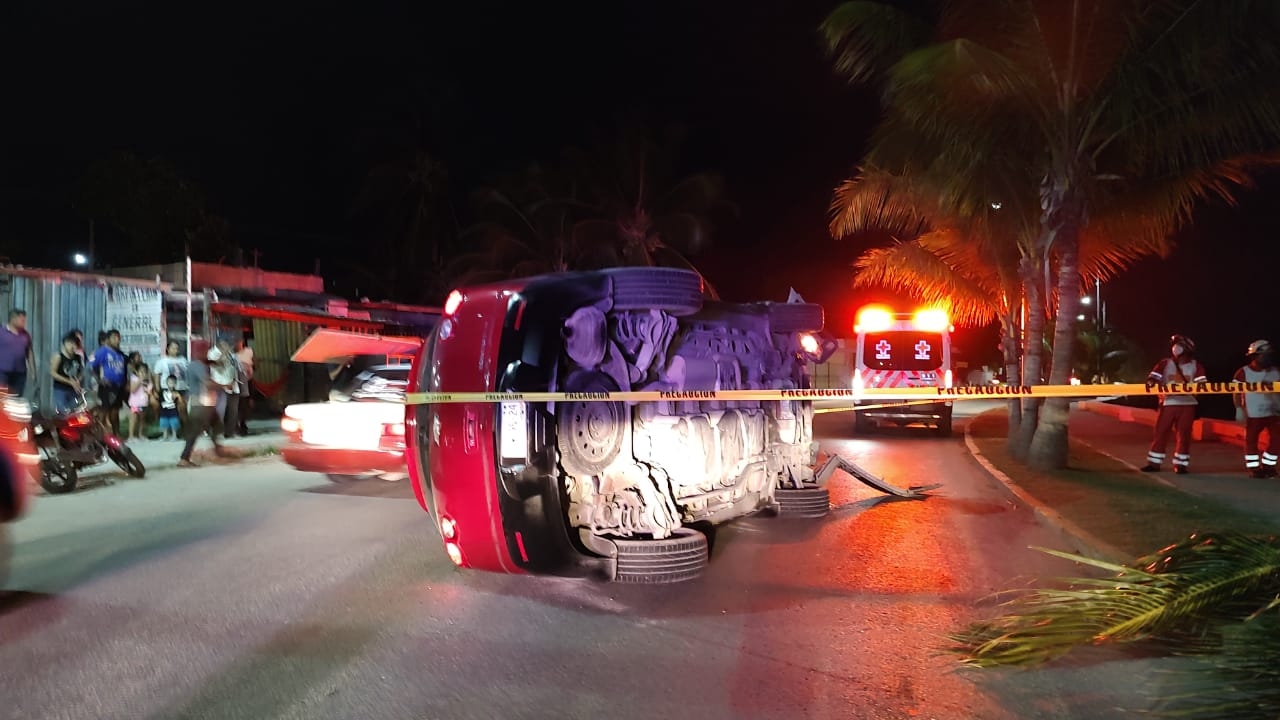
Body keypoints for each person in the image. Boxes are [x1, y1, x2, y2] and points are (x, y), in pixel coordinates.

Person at [1141, 334, 1209, 475]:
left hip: (1188, 404)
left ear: (1188, 349)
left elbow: (1202, 384)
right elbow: (1153, 377)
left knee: (1184, 435)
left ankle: (1181, 464)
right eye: (1175, 344)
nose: (1176, 347)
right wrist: (1152, 382)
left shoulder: (1196, 366)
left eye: (1180, 345)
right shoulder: (1165, 363)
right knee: (1160, 433)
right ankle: (1154, 463)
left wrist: (1199, 388)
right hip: (1168, 402)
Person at [1233, 339, 1280, 478]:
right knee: (1251, 441)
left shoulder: (1276, 372)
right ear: (1254, 356)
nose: (1267, 358)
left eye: (1268, 355)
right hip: (1253, 413)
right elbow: (1235, 391)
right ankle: (1254, 468)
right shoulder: (1243, 372)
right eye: (1263, 355)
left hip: (1274, 412)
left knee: (1277, 439)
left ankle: (1269, 466)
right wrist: (1239, 408)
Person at [179, 346, 226, 467]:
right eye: (205, 351)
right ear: (200, 352)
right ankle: (184, 458)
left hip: (203, 402)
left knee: (215, 424)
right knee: (195, 431)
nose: (207, 354)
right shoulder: (199, 366)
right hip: (201, 402)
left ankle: (218, 450)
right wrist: (224, 385)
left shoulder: (194, 364)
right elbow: (207, 383)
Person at [88, 329, 128, 436]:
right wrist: (99, 380)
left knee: (115, 411)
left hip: (118, 386)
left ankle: (116, 434)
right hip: (107, 387)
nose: (117, 340)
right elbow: (90, 366)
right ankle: (98, 434)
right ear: (108, 339)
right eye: (114, 337)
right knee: (103, 411)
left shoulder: (120, 354)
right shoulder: (102, 351)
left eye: (118, 337)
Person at [0, 309, 34, 395]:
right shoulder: (2, 332)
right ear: (13, 319)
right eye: (22, 320)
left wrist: (33, 372)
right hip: (2, 372)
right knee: (2, 397)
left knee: (16, 397)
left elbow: (29, 353)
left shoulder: (26, 335)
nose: (24, 322)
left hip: (20, 373)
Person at [209, 338, 238, 438]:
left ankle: (230, 432)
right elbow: (217, 365)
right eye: (226, 345)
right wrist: (225, 353)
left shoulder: (230, 354)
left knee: (232, 410)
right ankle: (217, 432)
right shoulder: (212, 353)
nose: (228, 346)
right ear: (220, 344)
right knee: (219, 410)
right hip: (219, 385)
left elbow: (233, 367)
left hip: (232, 385)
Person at [49, 333, 85, 413]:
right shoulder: (58, 356)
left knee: (75, 412)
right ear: (64, 343)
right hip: (61, 389)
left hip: (74, 390)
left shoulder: (78, 357)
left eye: (75, 344)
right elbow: (52, 372)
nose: (72, 347)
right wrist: (69, 381)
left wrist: (78, 380)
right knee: (63, 412)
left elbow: (81, 371)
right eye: (70, 343)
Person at [127, 361, 155, 441]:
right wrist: (140, 381)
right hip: (135, 403)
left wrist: (149, 382)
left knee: (142, 419)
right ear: (136, 371)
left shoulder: (147, 381)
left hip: (144, 403)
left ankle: (140, 434)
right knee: (133, 418)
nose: (143, 373)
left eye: (144, 371)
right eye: (141, 371)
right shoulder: (134, 378)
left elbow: (149, 391)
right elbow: (133, 390)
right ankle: (131, 436)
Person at [234, 338, 254, 436]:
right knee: (236, 406)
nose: (237, 344)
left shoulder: (248, 351)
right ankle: (237, 426)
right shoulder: (233, 356)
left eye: (239, 342)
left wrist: (250, 370)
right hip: (235, 384)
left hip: (246, 382)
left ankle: (243, 425)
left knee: (243, 405)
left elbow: (254, 364)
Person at [158, 375, 184, 441]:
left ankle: (174, 436)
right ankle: (165, 436)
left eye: (173, 382)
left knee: (174, 423)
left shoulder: (177, 392)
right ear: (166, 382)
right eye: (169, 382)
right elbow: (159, 400)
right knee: (164, 423)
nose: (171, 384)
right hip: (164, 411)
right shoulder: (162, 391)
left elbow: (181, 403)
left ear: (175, 383)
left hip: (173, 412)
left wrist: (179, 396)